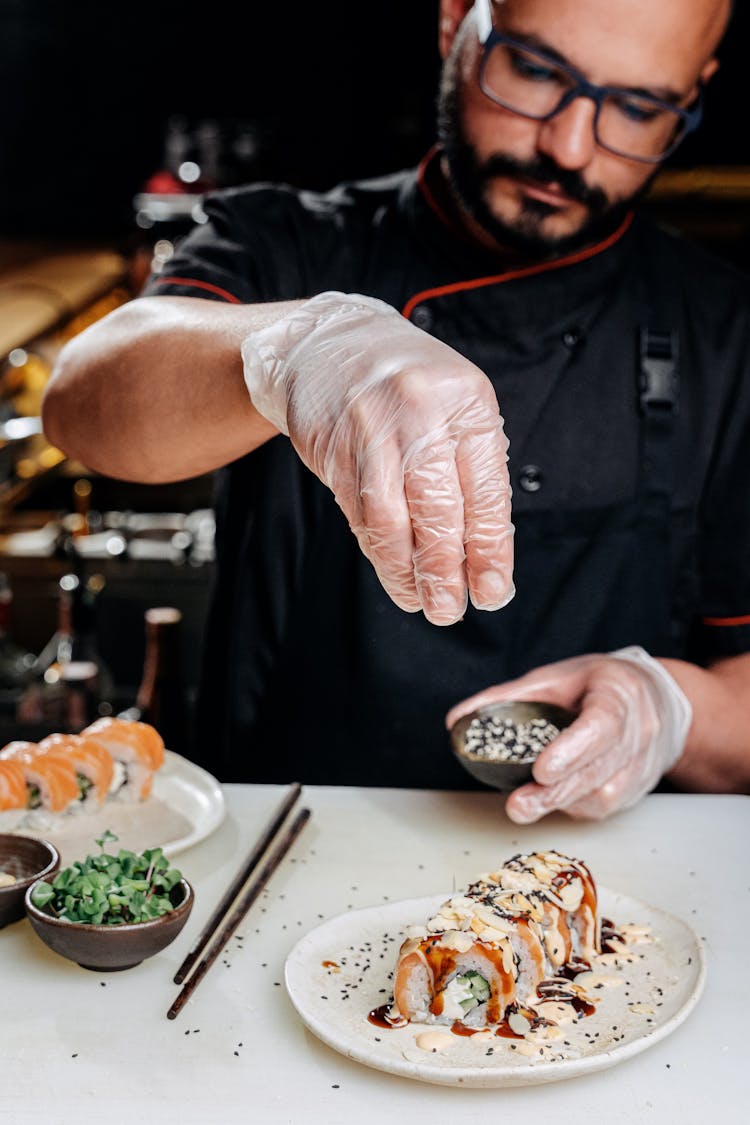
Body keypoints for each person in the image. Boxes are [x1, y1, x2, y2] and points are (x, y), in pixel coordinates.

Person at [42, 0, 750, 822]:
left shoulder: (726, 334)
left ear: (694, 92)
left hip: (612, 905)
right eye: (536, 70)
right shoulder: (283, 245)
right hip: (284, 864)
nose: (569, 146)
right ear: (457, 22)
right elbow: (81, 401)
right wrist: (294, 346)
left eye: (638, 107)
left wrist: (669, 706)